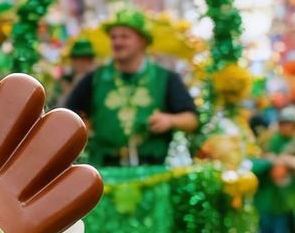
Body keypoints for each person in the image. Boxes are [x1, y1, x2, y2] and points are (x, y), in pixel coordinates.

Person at [63, 9, 198, 167]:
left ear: (143, 41)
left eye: (125, 36)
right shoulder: (94, 78)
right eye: (113, 37)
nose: (117, 42)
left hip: (153, 171)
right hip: (105, 171)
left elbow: (192, 120)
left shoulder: (166, 78)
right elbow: (68, 118)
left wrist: (170, 120)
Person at [255, 105, 295, 233]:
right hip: (269, 195)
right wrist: (271, 160)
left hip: (290, 197)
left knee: (286, 230)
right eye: (283, 123)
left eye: (289, 123)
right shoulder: (270, 139)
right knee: (267, 227)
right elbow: (258, 158)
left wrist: (287, 161)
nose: (285, 126)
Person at [57, 39, 97, 106]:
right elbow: (60, 106)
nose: (82, 63)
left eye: (86, 59)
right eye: (78, 59)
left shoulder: (96, 79)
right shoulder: (66, 79)